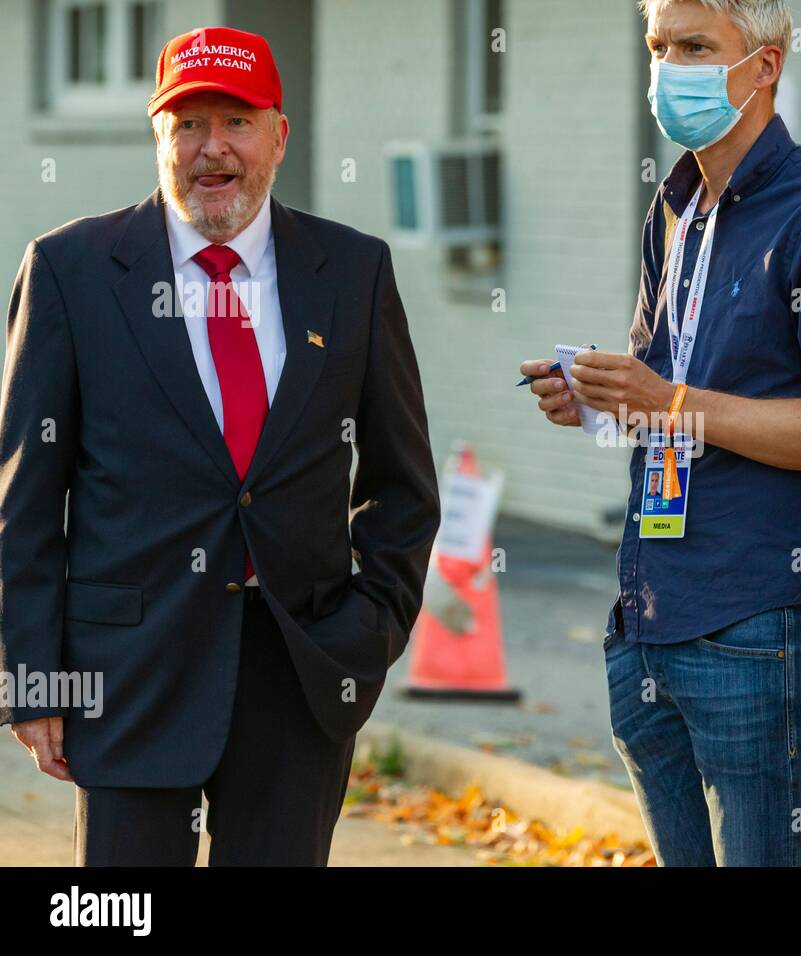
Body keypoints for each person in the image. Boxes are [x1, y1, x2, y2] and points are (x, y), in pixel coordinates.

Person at [0, 27, 440, 865]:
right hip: (127, 674)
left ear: (280, 134)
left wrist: (367, 632)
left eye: (237, 122)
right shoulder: (70, 270)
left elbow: (401, 484)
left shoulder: (353, 272)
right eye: (189, 123)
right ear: (158, 138)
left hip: (301, 673)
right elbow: (24, 496)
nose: (213, 150)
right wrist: (32, 677)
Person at [520, 0, 801, 866]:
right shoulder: (676, 207)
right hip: (649, 612)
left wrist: (673, 400)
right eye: (658, 47)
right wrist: (598, 400)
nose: (668, 68)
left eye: (695, 47)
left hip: (759, 620)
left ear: (763, 68)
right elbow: (669, 394)